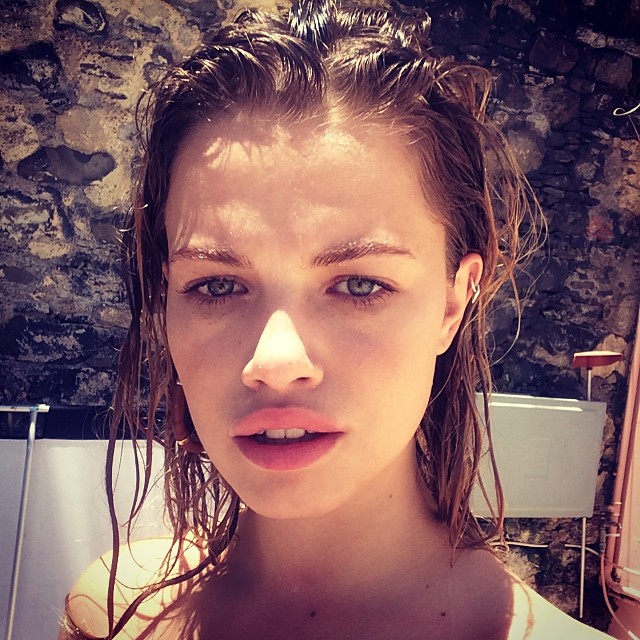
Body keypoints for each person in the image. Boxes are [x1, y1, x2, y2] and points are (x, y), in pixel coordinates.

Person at [60, 1, 614, 638]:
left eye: (359, 284)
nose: (274, 363)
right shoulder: (110, 613)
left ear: (454, 301)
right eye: (216, 285)